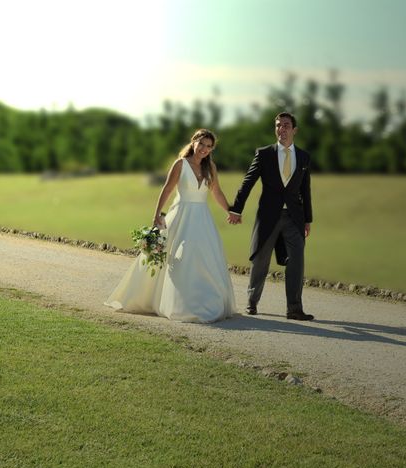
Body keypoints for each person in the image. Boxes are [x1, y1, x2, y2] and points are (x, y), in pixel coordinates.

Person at [105, 129, 236, 323]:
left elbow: (216, 191)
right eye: (201, 144)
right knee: (178, 257)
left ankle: (204, 301)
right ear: (194, 142)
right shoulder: (181, 164)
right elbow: (167, 189)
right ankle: (173, 302)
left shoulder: (211, 167)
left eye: (209, 147)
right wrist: (157, 214)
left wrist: (230, 210)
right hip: (181, 215)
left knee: (204, 258)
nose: (204, 149)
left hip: (202, 219)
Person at [228, 112, 314, 321]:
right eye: (278, 126)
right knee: (260, 259)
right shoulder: (264, 153)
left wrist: (308, 219)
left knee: (296, 261)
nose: (281, 129)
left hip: (294, 217)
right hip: (268, 216)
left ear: (294, 130)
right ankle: (251, 302)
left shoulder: (303, 157)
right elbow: (248, 182)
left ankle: (294, 308)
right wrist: (236, 209)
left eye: (286, 125)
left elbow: (305, 189)